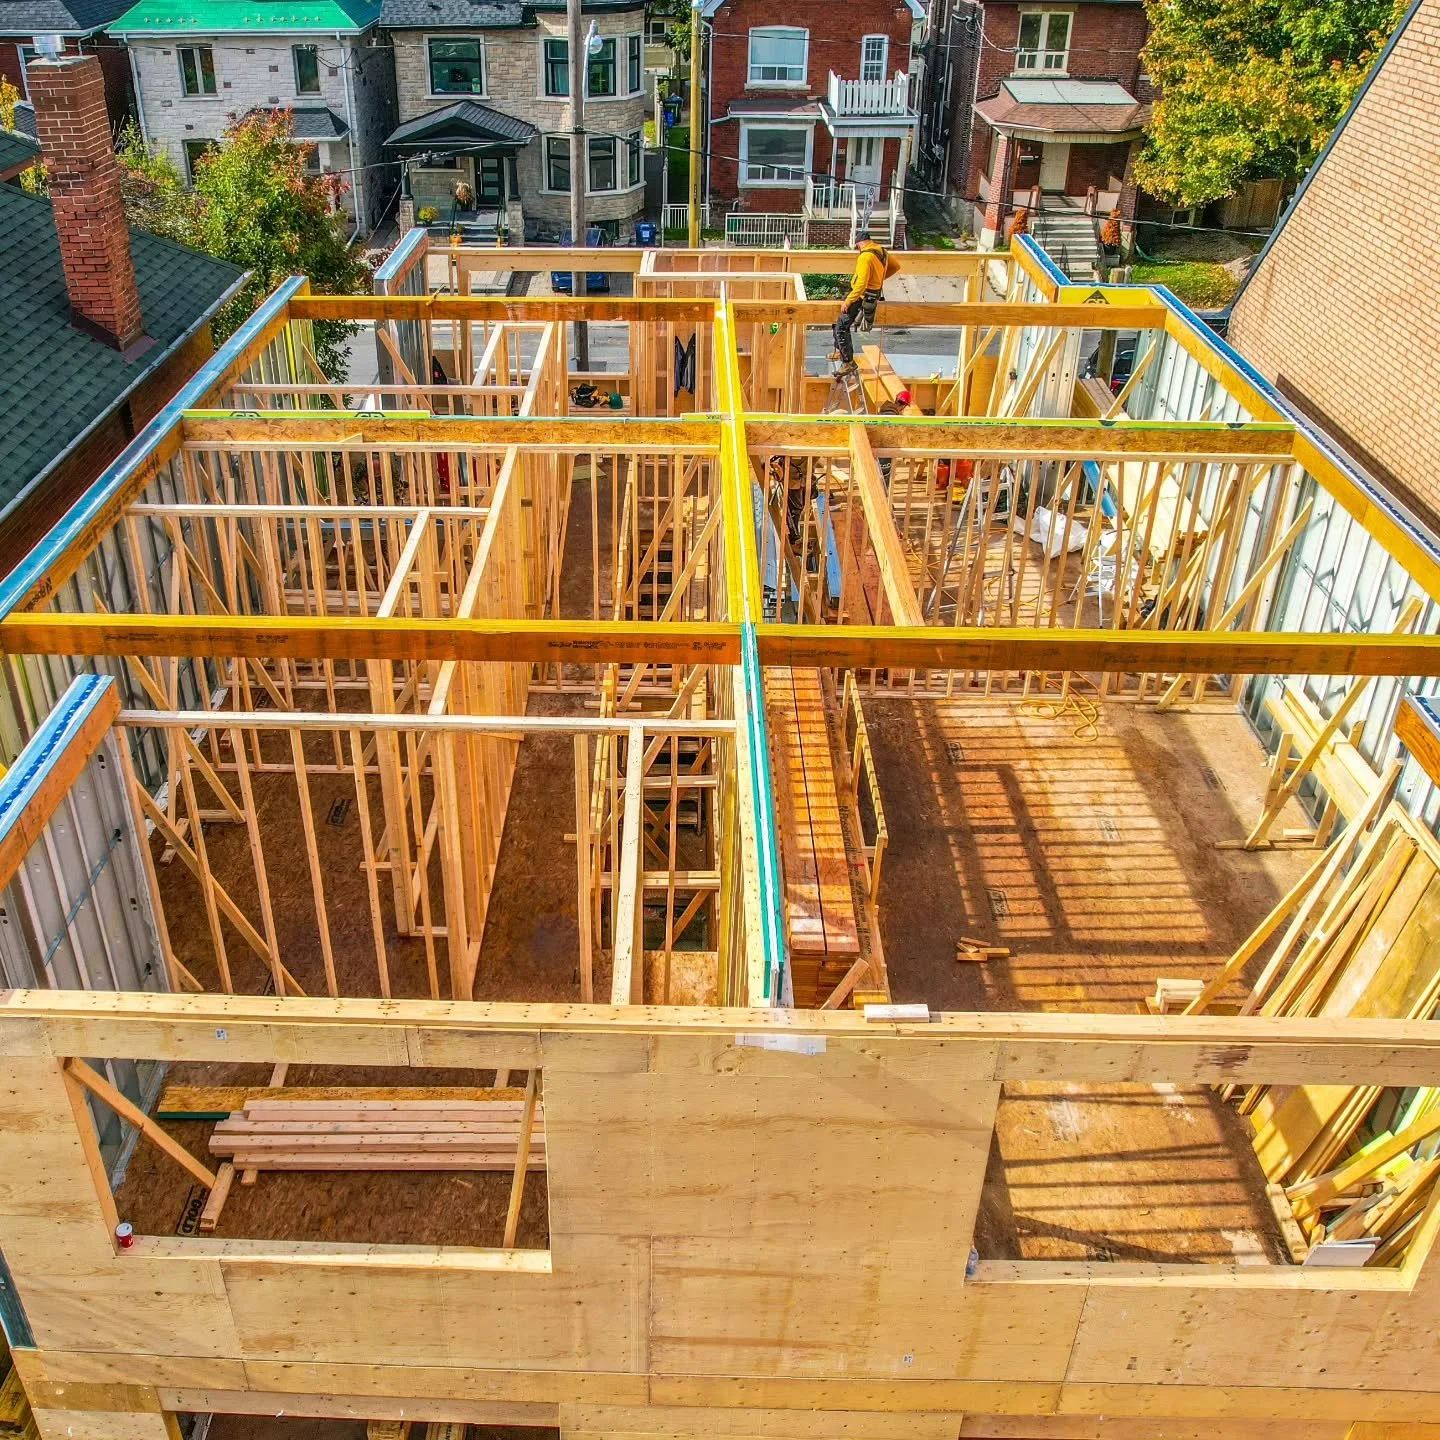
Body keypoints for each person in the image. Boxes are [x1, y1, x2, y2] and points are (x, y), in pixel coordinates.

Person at [831, 236, 901, 373]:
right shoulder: (881, 251)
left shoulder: (865, 257)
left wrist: (849, 300)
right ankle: (841, 352)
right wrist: (878, 279)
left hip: (861, 296)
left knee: (841, 328)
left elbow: (861, 285)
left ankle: (848, 362)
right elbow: (895, 266)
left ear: (859, 244)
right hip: (872, 294)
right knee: (839, 323)